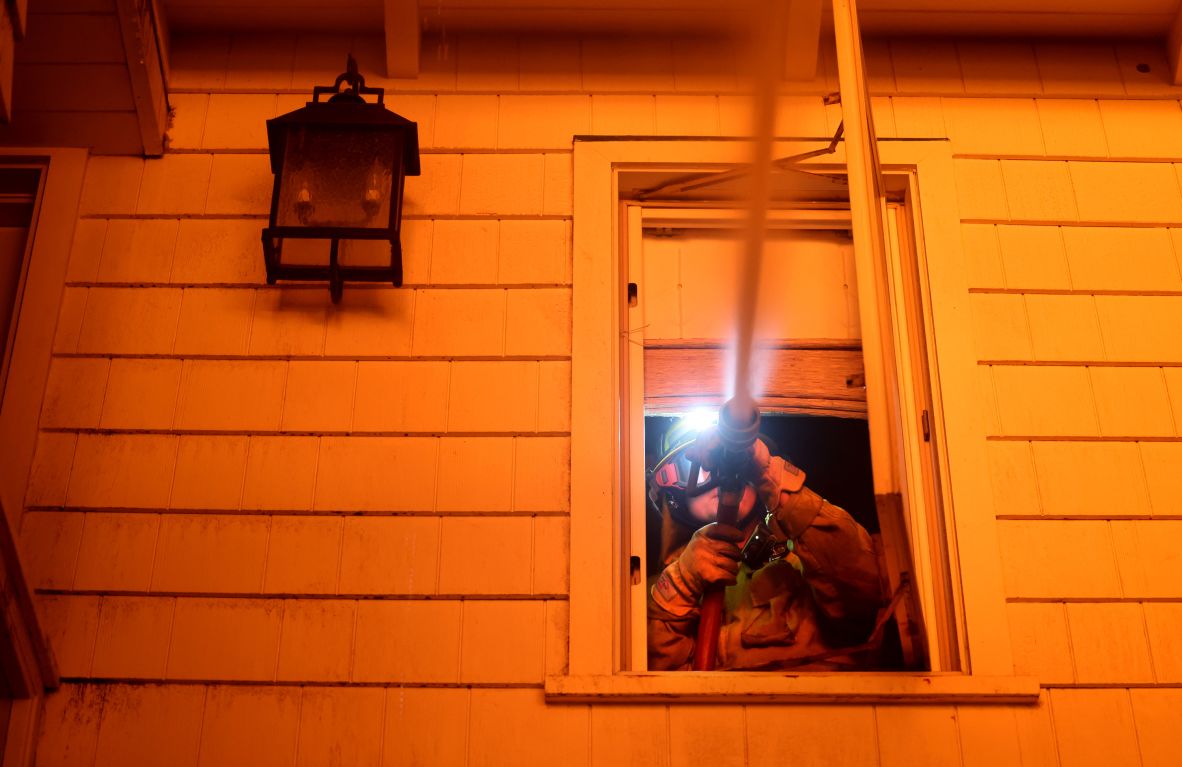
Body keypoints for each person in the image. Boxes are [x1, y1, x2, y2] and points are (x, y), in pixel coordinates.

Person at [647, 418, 884, 671]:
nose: (719, 473)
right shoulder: (659, 595)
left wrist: (768, 473)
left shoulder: (807, 560)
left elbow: (858, 593)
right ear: (674, 497)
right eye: (696, 465)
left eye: (731, 460)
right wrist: (682, 581)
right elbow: (660, 681)